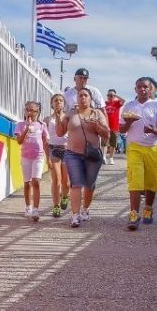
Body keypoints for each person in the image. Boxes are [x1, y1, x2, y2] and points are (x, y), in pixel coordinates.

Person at [119, 77, 157, 230]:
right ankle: (134, 214)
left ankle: (148, 209)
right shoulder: (129, 106)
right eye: (139, 87)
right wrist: (128, 122)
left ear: (150, 89)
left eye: (145, 87)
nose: (142, 89)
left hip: (153, 148)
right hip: (134, 148)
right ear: (135, 89)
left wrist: (153, 130)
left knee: (151, 182)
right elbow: (121, 129)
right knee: (135, 180)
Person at [56, 87, 109, 228]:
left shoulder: (97, 113)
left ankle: (85, 208)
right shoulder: (70, 114)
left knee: (90, 185)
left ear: (90, 99)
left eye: (85, 95)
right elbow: (60, 133)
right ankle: (75, 215)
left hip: (92, 155)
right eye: (80, 95)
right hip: (72, 154)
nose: (83, 98)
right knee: (76, 184)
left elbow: (106, 134)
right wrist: (59, 118)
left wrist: (96, 125)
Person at [14, 100, 49, 221]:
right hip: (25, 157)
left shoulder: (42, 125)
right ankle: (28, 206)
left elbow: (45, 141)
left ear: (38, 112)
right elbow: (19, 141)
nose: (29, 112)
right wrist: (26, 128)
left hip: (38, 156)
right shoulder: (20, 125)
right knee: (27, 183)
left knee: (36, 181)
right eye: (27, 110)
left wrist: (48, 157)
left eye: (32, 110)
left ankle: (36, 209)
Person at [44, 93, 71, 216]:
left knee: (66, 183)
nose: (58, 102)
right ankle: (56, 206)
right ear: (51, 104)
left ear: (64, 104)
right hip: (53, 150)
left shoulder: (68, 118)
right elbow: (45, 140)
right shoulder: (47, 119)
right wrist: (47, 158)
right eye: (55, 100)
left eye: (60, 100)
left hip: (67, 150)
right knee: (56, 180)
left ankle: (65, 196)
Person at [103, 88, 125, 165]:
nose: (110, 96)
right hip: (105, 126)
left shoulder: (117, 103)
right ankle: (104, 157)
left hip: (115, 127)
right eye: (108, 95)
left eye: (111, 95)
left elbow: (123, 100)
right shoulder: (104, 103)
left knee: (113, 143)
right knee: (104, 143)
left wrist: (116, 96)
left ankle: (111, 158)